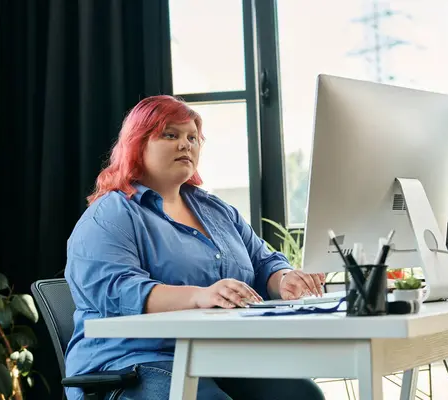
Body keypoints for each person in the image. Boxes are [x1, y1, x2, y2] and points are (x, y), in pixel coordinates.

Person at [64, 95, 326, 400]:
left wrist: (284, 280)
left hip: (215, 355)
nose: (185, 144)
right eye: (170, 135)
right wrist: (201, 296)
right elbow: (118, 289)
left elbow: (263, 262)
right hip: (133, 361)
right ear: (137, 145)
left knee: (300, 394)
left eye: (192, 137)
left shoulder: (217, 210)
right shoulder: (110, 214)